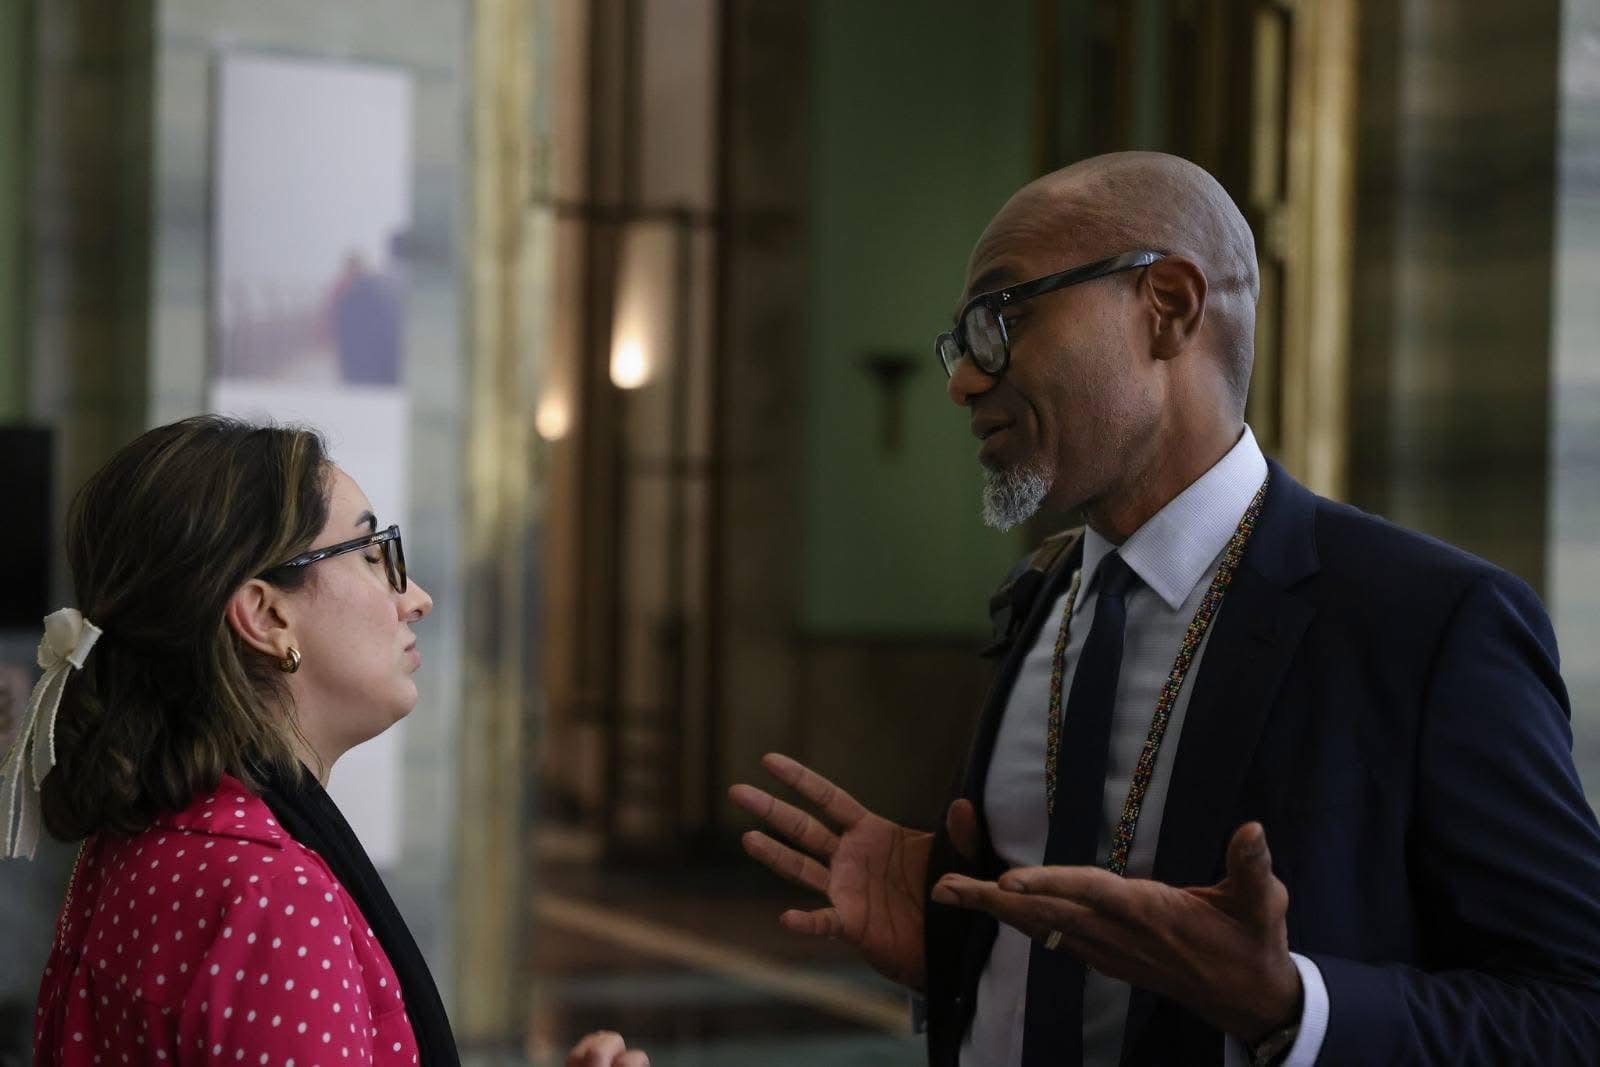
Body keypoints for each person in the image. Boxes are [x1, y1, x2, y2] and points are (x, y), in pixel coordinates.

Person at [731, 152, 1600, 1065]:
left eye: (1003, 318)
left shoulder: (1431, 624)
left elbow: (1576, 1007)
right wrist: (960, 954)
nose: (964, 381)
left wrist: (1291, 1008)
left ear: (1170, 307)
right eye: (963, 342)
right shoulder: (1041, 599)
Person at [4, 415, 647, 1067]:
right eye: (370, 555)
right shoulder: (272, 896)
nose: (416, 598)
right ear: (266, 615)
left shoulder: (145, 839)